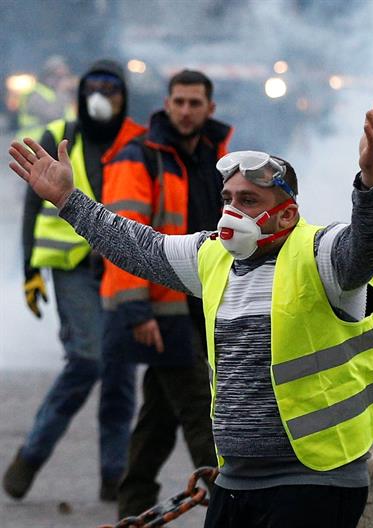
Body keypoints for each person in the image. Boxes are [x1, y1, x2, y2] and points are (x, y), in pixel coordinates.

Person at [9, 101, 373, 528]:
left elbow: (368, 248)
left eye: (248, 200)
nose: (232, 211)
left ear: (287, 213)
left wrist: (371, 182)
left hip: (316, 482)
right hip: (237, 481)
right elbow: (138, 247)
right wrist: (67, 200)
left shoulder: (321, 253)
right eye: (227, 198)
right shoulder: (213, 256)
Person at [5, 60, 144, 502]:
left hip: (122, 268)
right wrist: (29, 267)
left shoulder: (138, 142)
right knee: (86, 361)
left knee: (121, 372)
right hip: (73, 270)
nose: (103, 95)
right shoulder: (59, 134)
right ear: (81, 93)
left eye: (112, 88)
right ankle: (30, 456)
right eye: (95, 87)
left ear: (124, 97)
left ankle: (114, 477)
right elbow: (32, 202)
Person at [100, 70, 232, 518]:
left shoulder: (220, 157)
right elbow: (122, 238)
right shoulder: (138, 157)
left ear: (209, 108)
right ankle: (235, 508)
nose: (186, 110)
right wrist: (137, 310)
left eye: (195, 103)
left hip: (203, 302)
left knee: (157, 419)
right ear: (166, 103)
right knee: (200, 412)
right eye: (179, 101)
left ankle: (132, 509)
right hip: (161, 307)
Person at [16, 55, 76, 140]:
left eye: (66, 76)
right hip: (34, 145)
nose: (64, 80)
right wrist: (62, 92)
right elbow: (53, 115)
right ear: (48, 77)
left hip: (54, 143)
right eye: (59, 76)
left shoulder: (58, 93)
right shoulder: (35, 95)